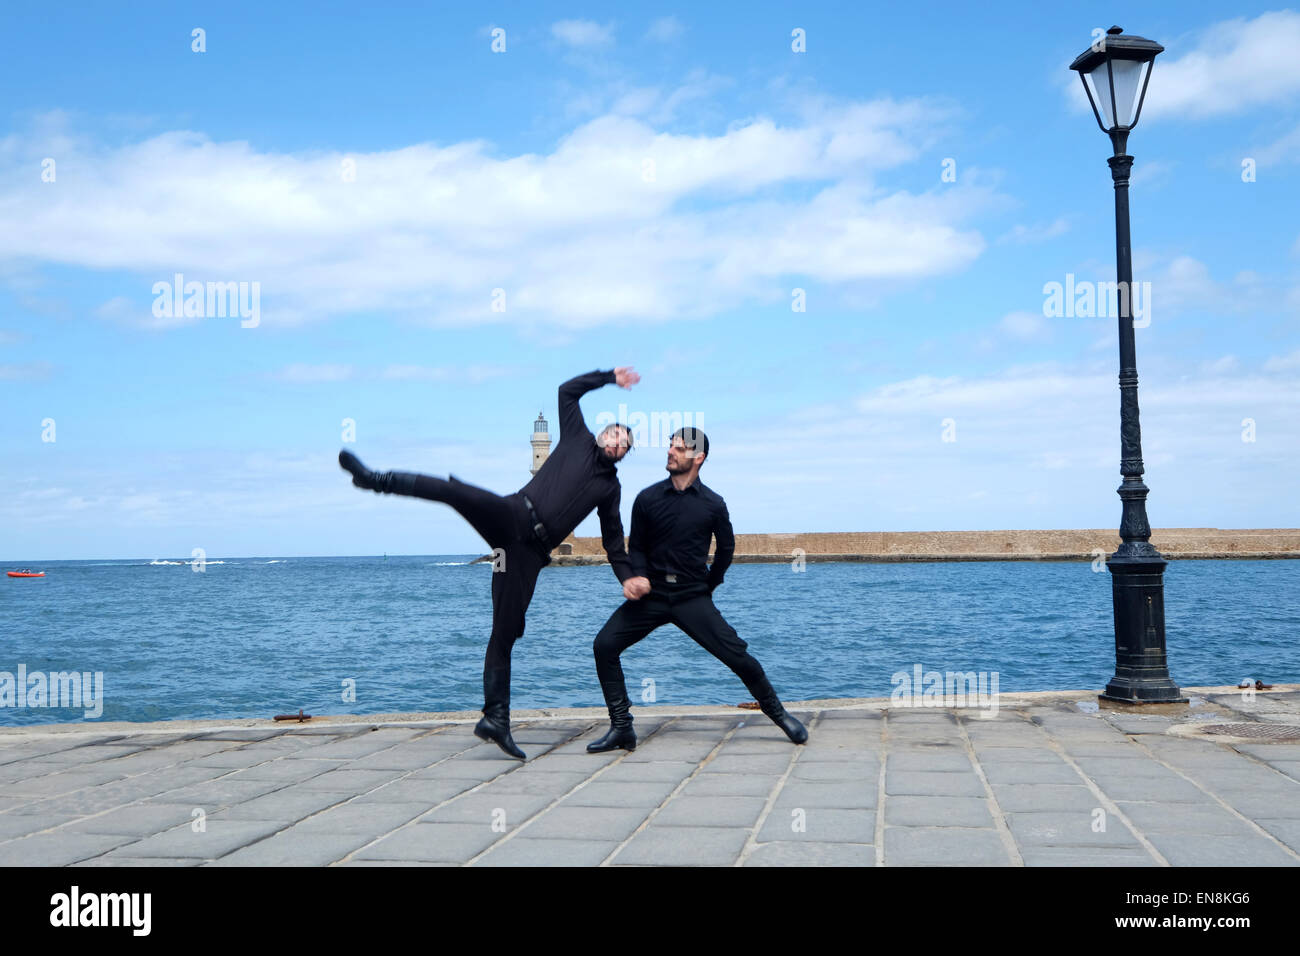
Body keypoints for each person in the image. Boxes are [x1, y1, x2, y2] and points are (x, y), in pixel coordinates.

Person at [339, 367, 640, 759]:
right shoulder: (576, 438)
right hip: (511, 515)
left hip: (526, 556)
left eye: (626, 443)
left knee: (506, 629)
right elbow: (566, 390)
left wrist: (627, 577)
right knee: (455, 492)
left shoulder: (610, 488)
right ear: (602, 434)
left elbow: (614, 541)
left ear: (624, 454)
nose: (618, 441)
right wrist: (607, 377)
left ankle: (495, 718)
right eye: (616, 433)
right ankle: (374, 479)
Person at [587, 427, 808, 753]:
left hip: (692, 596)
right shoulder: (647, 498)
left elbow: (726, 550)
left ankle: (779, 714)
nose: (670, 452)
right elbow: (637, 549)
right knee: (604, 645)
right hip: (653, 595)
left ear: (698, 457)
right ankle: (622, 728)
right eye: (670, 447)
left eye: (678, 449)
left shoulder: (713, 504)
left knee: (738, 657)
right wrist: (636, 577)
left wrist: (710, 584)